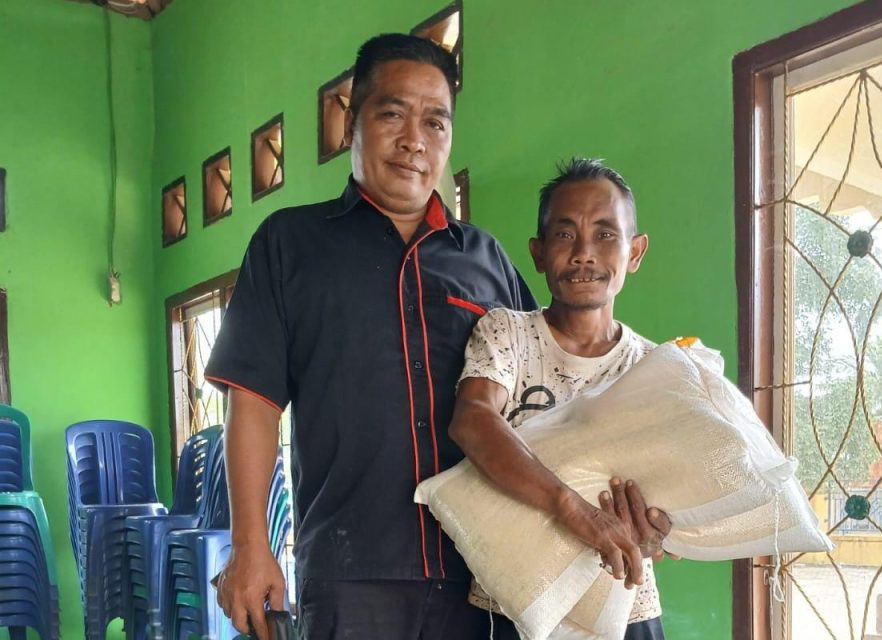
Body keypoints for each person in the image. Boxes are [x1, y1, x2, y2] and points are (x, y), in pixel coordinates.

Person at [203, 34, 540, 640]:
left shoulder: (486, 260)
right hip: (351, 575)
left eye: (435, 123)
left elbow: (545, 397)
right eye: (392, 114)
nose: (415, 141)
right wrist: (251, 545)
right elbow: (252, 401)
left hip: (486, 570)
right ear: (350, 122)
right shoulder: (291, 245)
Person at [449, 158, 673, 640]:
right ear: (538, 251)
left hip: (624, 608)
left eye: (605, 234)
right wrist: (572, 508)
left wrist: (661, 527)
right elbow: (473, 420)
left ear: (635, 252)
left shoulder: (655, 367)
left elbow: (673, 500)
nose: (584, 254)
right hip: (512, 606)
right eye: (565, 234)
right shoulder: (507, 334)